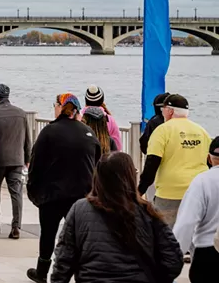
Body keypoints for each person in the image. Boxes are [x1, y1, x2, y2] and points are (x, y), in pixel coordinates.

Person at [51, 152, 184, 283]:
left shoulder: (79, 210)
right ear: (130, 178)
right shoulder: (147, 212)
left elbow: (63, 261)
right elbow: (173, 261)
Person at [26, 94, 101, 283]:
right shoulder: (89, 134)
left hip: (52, 194)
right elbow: (97, 165)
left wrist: (33, 191)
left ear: (61, 107)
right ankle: (85, 272)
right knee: (80, 237)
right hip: (81, 196)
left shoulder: (49, 132)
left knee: (48, 234)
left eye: (55, 105)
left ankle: (42, 271)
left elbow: (36, 164)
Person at [138, 94, 212, 227]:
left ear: (170, 111)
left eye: (163, 110)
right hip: (198, 191)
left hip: (170, 193)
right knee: (193, 236)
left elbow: (152, 163)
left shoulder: (162, 131)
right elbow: (210, 163)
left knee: (165, 236)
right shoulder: (202, 131)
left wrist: (139, 191)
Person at [0, 83, 31, 239]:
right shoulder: (21, 114)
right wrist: (27, 158)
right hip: (16, 159)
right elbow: (27, 139)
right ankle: (16, 225)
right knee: (16, 193)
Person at [173, 136, 219, 283]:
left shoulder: (202, 181)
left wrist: (173, 259)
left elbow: (186, 224)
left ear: (209, 158)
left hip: (208, 254)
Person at [84, 85, 122, 151]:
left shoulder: (79, 117)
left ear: (86, 100)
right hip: (105, 157)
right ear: (102, 100)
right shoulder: (109, 119)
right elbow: (117, 145)